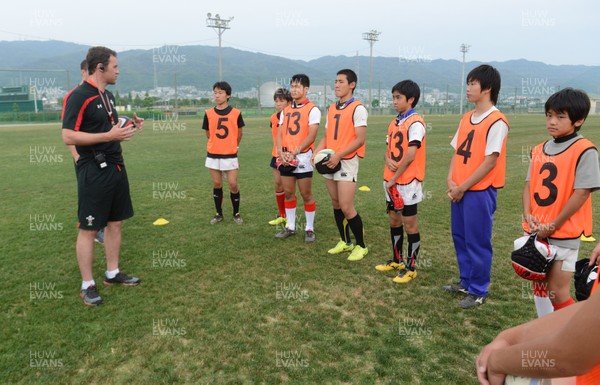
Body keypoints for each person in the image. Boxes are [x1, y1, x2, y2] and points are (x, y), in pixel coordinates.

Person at [62, 46, 144, 306]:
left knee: (115, 222)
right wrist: (109, 136)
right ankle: (87, 285)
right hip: (93, 170)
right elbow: (68, 136)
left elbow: (107, 127)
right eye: (115, 66)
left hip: (116, 167)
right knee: (88, 228)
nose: (118, 71)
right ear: (100, 68)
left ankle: (112, 272)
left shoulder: (107, 95)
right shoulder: (78, 96)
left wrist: (128, 125)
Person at [522, 88, 600, 317]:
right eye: (548, 115)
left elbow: (581, 193)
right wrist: (528, 215)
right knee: (538, 284)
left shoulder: (585, 150)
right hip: (537, 230)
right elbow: (528, 185)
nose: (552, 122)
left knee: (558, 291)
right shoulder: (539, 149)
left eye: (560, 116)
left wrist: (553, 225)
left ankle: (577, 340)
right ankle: (546, 332)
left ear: (579, 120)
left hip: (563, 233)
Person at [476, 242, 600, 384]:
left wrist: (497, 362)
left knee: (556, 290)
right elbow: (590, 311)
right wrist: (508, 338)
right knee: (546, 287)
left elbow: (569, 357)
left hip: (563, 237)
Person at [444, 64, 509, 309]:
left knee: (478, 240)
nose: (468, 88)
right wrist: (451, 181)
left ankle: (479, 289)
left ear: (488, 87)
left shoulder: (497, 120)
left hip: (479, 192)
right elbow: (457, 151)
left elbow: (490, 161)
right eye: (468, 83)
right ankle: (466, 281)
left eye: (472, 83)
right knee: (460, 237)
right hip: (459, 189)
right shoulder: (466, 117)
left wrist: (463, 187)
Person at [374, 80, 426, 281]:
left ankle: (411, 267)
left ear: (411, 99)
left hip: (407, 182)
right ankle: (396, 259)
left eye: (398, 97)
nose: (394, 101)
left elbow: (411, 155)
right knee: (394, 220)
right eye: (393, 97)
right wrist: (387, 159)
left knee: (409, 224)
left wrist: (394, 178)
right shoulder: (394, 122)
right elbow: (388, 151)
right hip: (391, 181)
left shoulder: (416, 123)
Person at [314, 69, 368, 261]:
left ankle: (361, 246)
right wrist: (316, 154)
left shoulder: (358, 108)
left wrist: (339, 155)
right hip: (330, 159)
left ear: (352, 85)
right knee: (336, 203)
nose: (336, 85)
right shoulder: (332, 108)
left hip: (346, 161)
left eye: (341, 82)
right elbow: (327, 136)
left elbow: (360, 140)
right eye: (335, 81)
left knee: (346, 206)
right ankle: (345, 242)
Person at [62, 59, 105, 245]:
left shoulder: (100, 94)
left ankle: (101, 226)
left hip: (102, 156)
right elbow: (69, 131)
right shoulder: (74, 96)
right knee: (88, 193)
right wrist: (76, 156)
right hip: (84, 157)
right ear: (83, 72)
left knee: (104, 191)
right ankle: (92, 226)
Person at [275, 74, 320, 242]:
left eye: (298, 86)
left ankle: (309, 228)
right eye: (292, 86)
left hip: (302, 156)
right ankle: (291, 226)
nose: (294, 89)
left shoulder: (312, 109)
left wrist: (295, 152)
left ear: (306, 89)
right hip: (286, 156)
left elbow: (312, 135)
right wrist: (280, 152)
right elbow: (280, 134)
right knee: (288, 193)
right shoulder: (285, 111)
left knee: (306, 193)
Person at [202, 81, 245, 225]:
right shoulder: (208, 114)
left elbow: (239, 134)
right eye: (215, 92)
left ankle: (236, 213)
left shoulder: (236, 113)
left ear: (228, 95)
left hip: (230, 154)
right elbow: (209, 133)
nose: (217, 95)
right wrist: (217, 144)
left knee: (233, 184)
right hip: (213, 153)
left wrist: (232, 145)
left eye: (220, 92)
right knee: (217, 183)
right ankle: (218, 214)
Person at [268, 88, 292, 226]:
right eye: (276, 101)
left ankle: (290, 216)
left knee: (288, 188)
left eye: (281, 101)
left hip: (288, 156)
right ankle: (282, 215)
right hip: (275, 155)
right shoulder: (273, 118)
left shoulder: (293, 117)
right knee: (278, 185)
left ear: (289, 102)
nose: (278, 103)